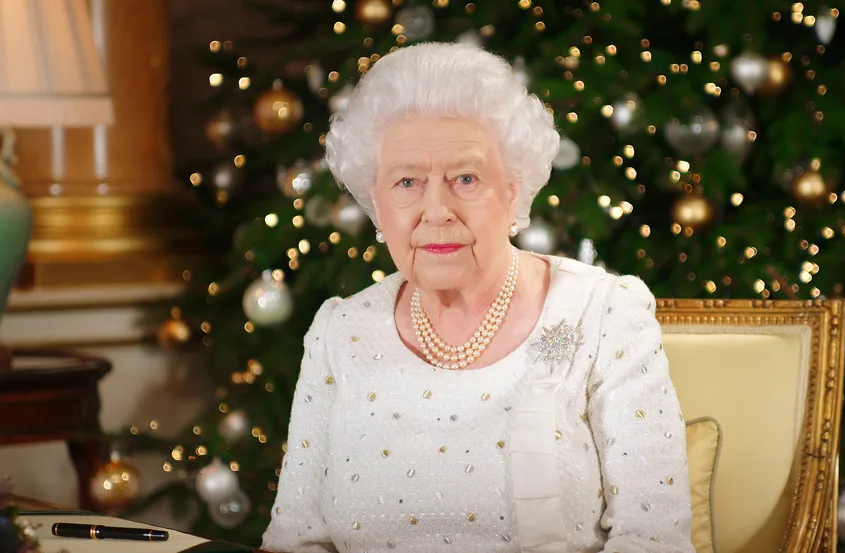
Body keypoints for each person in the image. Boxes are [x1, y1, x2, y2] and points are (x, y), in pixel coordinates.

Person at [261, 42, 695, 553]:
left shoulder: (603, 315)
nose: (437, 209)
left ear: (512, 190)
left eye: (465, 178)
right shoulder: (341, 331)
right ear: (376, 203)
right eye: (407, 182)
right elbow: (294, 540)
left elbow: (654, 539)